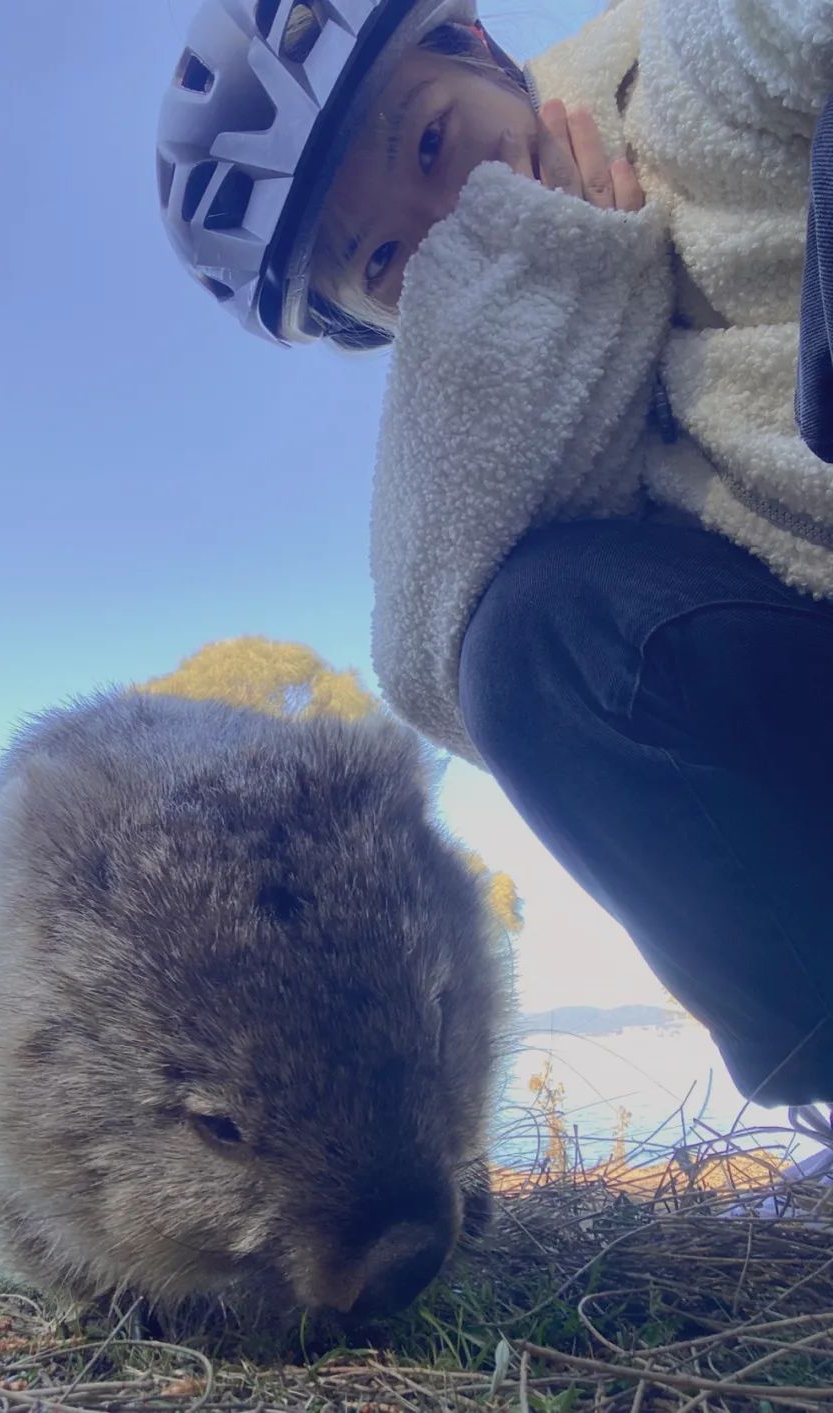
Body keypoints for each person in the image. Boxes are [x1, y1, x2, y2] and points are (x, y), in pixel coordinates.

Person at [157, 0, 833, 1178]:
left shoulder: (675, 87)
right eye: (382, 263)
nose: (447, 219)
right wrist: (556, 277)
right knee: (535, 640)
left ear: (474, 44)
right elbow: (436, 662)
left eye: (426, 141)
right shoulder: (517, 387)